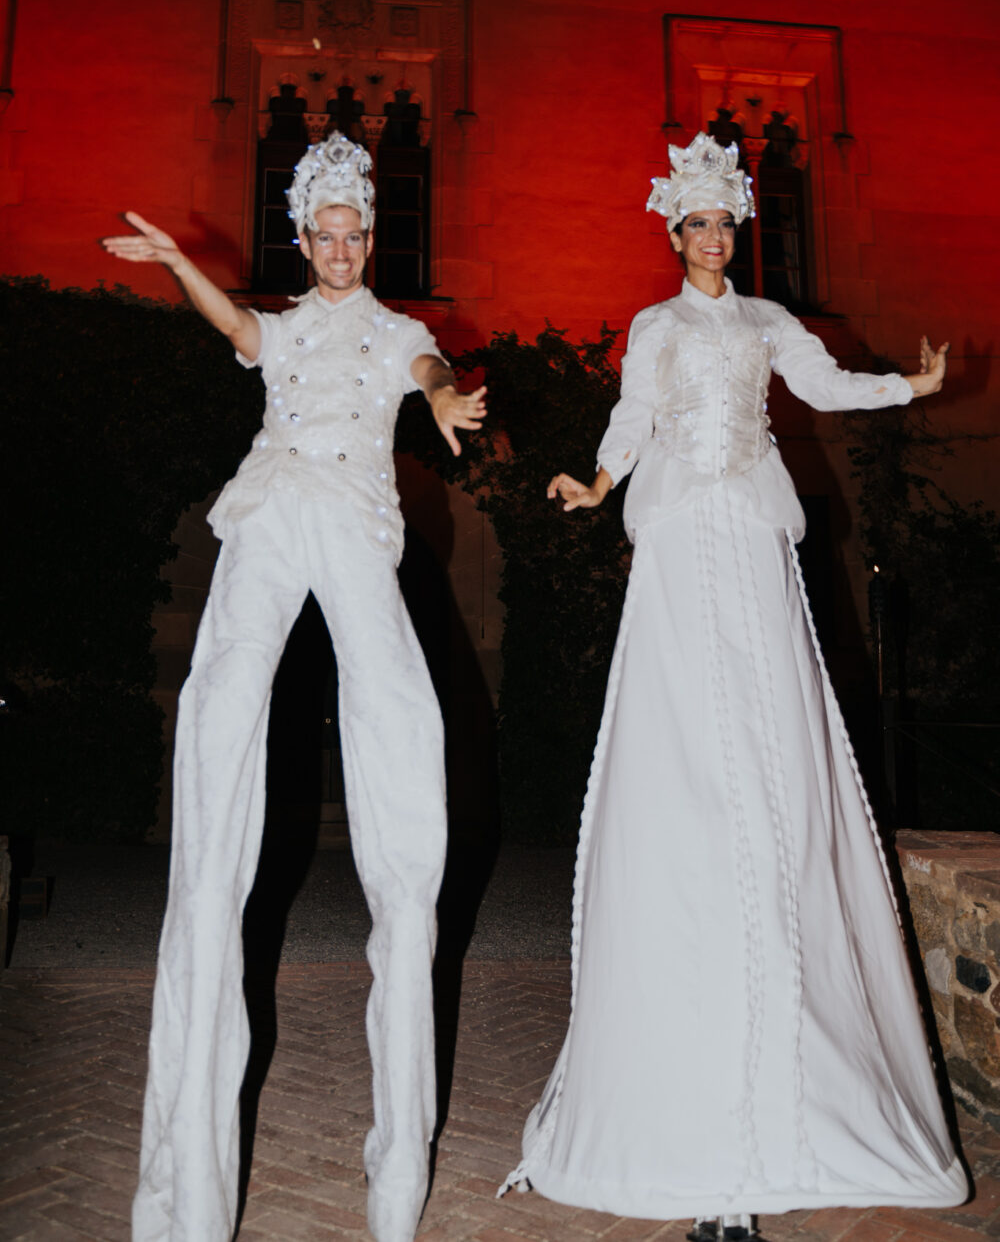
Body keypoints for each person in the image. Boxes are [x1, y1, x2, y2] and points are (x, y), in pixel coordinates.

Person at [500, 132, 966, 1235]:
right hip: (678, 532)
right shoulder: (655, 326)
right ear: (674, 234)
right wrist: (597, 481)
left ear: (736, 231)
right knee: (683, 730)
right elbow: (632, 415)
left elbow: (824, 386)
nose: (713, 237)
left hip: (752, 530)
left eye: (725, 223)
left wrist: (911, 383)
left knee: (768, 730)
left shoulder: (767, 322)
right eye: (697, 223)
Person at [101, 132, 487, 1242]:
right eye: (324, 235)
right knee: (222, 703)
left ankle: (395, 1171)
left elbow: (429, 369)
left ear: (370, 239)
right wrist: (181, 262)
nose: (340, 250)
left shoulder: (396, 331)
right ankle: (186, 1183)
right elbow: (236, 328)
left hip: (355, 521)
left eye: (354, 235)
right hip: (272, 512)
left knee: (397, 715)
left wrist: (444, 398)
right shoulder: (283, 326)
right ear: (304, 240)